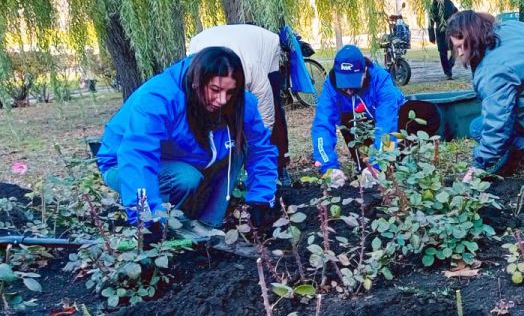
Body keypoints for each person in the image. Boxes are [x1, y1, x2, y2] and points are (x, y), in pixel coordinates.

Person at [96, 47, 279, 234]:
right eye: (215, 90)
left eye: (229, 91)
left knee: (239, 145)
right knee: (186, 178)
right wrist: (147, 218)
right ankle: (165, 226)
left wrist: (261, 198)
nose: (222, 100)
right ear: (197, 82)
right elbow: (137, 157)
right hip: (121, 164)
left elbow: (261, 149)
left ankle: (205, 226)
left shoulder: (241, 102)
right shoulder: (159, 98)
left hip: (188, 158)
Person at [188, 23, 314, 186]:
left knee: (275, 111)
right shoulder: (195, 65)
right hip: (217, 42)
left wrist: (258, 152)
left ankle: (280, 166)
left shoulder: (254, 70)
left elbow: (267, 119)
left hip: (265, 47)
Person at [446, 11, 524, 178]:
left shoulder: (493, 68)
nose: (460, 54)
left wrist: (478, 165)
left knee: (478, 127)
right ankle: (516, 154)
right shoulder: (512, 28)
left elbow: (497, 125)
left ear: (473, 37)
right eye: (456, 47)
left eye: (461, 46)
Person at [311, 45, 405, 187]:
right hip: (359, 125)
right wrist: (328, 167)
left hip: (393, 120)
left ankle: (398, 161)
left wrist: (376, 165)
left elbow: (387, 125)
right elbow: (322, 124)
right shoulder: (330, 86)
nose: (349, 91)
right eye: (344, 84)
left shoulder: (381, 80)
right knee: (346, 118)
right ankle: (363, 162)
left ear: (365, 71)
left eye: (353, 83)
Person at [429, 0, 459, 80]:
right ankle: (448, 72)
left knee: (454, 49)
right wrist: (431, 36)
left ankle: (450, 65)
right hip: (440, 32)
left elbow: (456, 14)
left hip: (451, 30)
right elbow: (430, 22)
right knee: (442, 52)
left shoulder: (449, 3)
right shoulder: (433, 7)